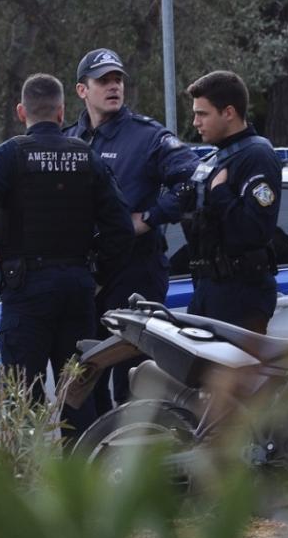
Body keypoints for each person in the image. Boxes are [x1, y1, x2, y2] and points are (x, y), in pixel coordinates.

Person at [0, 73, 133, 440]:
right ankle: (83, 472)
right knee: (78, 397)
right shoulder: (87, 156)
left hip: (26, 292)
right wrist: (95, 273)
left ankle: (28, 473)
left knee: (23, 399)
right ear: (61, 111)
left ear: (22, 112)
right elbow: (121, 229)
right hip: (77, 292)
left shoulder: (10, 155)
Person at [64, 48, 199, 415]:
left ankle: (140, 448)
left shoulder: (146, 136)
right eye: (103, 81)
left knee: (135, 379)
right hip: (86, 276)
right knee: (82, 379)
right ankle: (93, 448)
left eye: (118, 80)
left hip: (134, 273)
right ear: (82, 90)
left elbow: (192, 179)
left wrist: (149, 218)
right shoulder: (69, 140)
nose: (114, 87)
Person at [183, 70, 281, 333]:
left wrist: (220, 193)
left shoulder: (256, 156)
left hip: (241, 293)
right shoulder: (217, 159)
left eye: (202, 114)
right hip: (210, 289)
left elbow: (255, 230)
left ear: (228, 112)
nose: (195, 122)